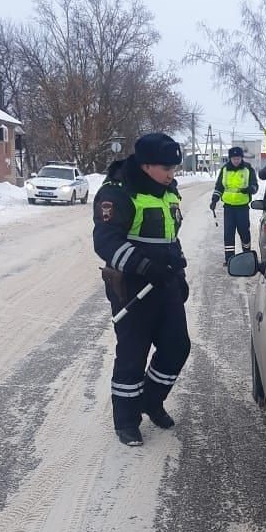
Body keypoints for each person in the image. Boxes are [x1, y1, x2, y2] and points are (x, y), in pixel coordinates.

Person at [93, 133, 190, 447]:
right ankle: (126, 421)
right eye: (166, 167)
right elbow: (105, 240)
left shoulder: (168, 191)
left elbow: (170, 239)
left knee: (177, 347)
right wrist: (144, 266)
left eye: (174, 167)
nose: (171, 173)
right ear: (146, 165)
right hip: (133, 288)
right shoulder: (118, 192)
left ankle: (151, 400)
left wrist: (180, 272)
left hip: (166, 283)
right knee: (132, 356)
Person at [210, 146, 258, 266]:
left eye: (238, 158)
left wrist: (250, 189)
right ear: (230, 158)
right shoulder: (225, 169)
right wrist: (214, 200)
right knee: (228, 233)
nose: (236, 160)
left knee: (244, 233)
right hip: (229, 208)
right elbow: (219, 187)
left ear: (241, 158)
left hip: (242, 207)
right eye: (234, 158)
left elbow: (255, 186)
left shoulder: (248, 169)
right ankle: (230, 259)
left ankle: (246, 257)